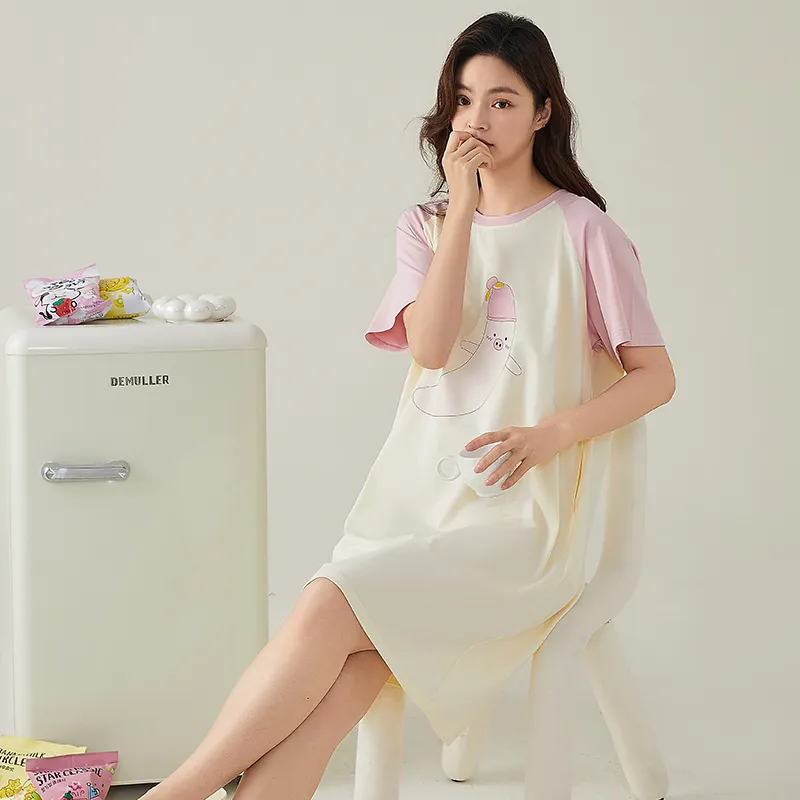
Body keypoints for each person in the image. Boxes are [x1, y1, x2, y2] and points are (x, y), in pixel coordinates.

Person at [141, 11, 676, 800]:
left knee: (328, 603)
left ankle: (175, 793)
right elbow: (430, 346)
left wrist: (549, 435)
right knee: (351, 672)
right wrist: (461, 208)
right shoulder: (423, 227)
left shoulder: (584, 232)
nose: (478, 119)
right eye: (464, 100)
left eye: (502, 100)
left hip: (518, 528)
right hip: (409, 507)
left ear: (542, 111)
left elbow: (655, 377)